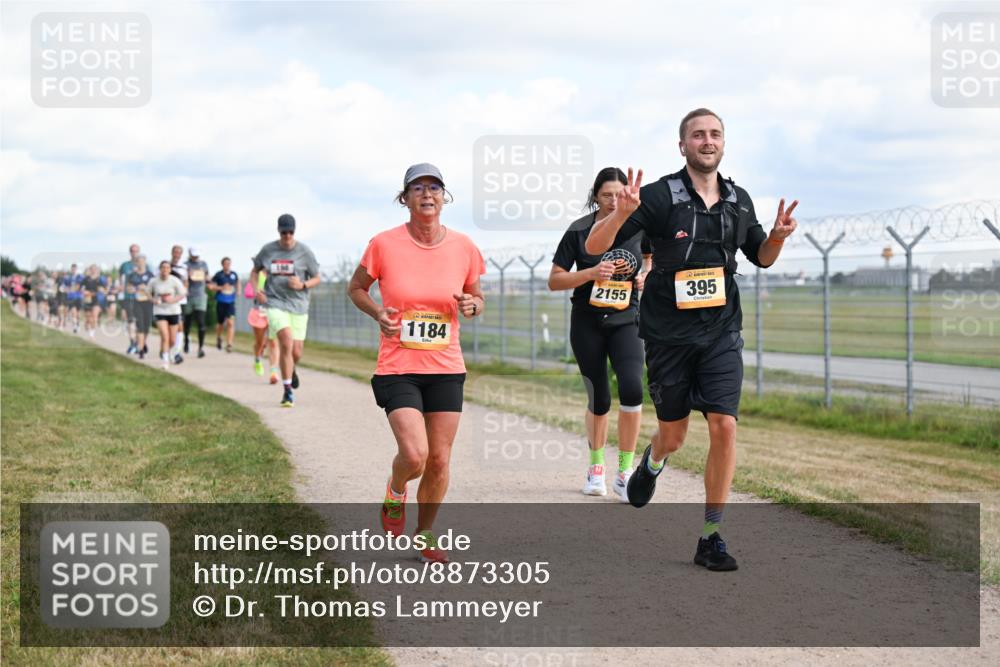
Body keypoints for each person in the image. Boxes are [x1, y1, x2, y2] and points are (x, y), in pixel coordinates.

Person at [586, 108, 798, 571]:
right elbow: (595, 247)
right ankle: (653, 460)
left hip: (722, 329)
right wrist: (619, 214)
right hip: (668, 335)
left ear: (724, 143)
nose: (708, 140)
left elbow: (761, 257)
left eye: (715, 134)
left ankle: (711, 535)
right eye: (698, 134)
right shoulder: (660, 196)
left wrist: (778, 238)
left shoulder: (739, 201)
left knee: (725, 425)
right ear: (682, 145)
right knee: (675, 436)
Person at [348, 163, 486, 564]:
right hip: (398, 365)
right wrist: (378, 313)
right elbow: (356, 288)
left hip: (446, 366)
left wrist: (471, 305)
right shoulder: (383, 245)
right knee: (414, 456)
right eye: (418, 188)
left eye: (435, 188)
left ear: (444, 197)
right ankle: (396, 488)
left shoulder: (463, 246)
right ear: (404, 199)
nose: (428, 194)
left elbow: (477, 298)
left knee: (440, 459)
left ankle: (425, 534)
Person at [549, 167, 650, 501]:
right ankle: (596, 469)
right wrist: (590, 273)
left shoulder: (640, 225)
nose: (613, 201)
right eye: (606, 195)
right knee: (600, 397)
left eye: (618, 194)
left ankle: (625, 471)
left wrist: (645, 275)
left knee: (633, 388)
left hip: (627, 319)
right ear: (595, 196)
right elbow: (555, 280)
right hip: (587, 321)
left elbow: (651, 259)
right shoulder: (579, 230)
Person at [251, 214, 321, 407]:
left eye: (290, 232)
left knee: (296, 352)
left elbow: (317, 277)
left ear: (294, 231)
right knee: (286, 341)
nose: (287, 235)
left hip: (298, 305)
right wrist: (257, 290)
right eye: (284, 232)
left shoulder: (304, 252)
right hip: (275, 302)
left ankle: (292, 369)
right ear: (279, 231)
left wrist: (302, 284)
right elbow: (255, 270)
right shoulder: (268, 250)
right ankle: (288, 391)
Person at [150, 260, 186, 369]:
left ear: (170, 270)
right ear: (160, 269)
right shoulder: (154, 281)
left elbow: (183, 293)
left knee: (172, 340)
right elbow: (147, 293)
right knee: (165, 336)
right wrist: (154, 300)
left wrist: (173, 300)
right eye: (163, 267)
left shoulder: (175, 281)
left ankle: (164, 351)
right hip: (160, 311)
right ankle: (165, 361)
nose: (165, 269)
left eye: (167, 267)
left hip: (173, 311)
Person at [246, 270, 280, 382]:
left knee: (273, 342)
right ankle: (257, 359)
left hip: (274, 311)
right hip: (259, 311)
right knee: (259, 343)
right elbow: (252, 283)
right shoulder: (257, 272)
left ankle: (273, 372)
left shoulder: (279, 270)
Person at [184, 247, 211, 358]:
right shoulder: (185, 265)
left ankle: (201, 348)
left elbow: (208, 277)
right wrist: (188, 275)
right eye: (193, 255)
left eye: (197, 255)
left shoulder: (203, 264)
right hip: (189, 296)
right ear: (190, 254)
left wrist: (206, 278)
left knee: (201, 323)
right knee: (188, 322)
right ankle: (186, 340)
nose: (195, 257)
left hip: (200, 296)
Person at [209, 257, 240, 353]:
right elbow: (210, 286)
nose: (227, 265)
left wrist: (238, 290)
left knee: (231, 323)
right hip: (221, 302)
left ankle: (229, 344)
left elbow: (238, 283)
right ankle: (218, 337)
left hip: (230, 302)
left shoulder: (234, 274)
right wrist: (221, 287)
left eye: (229, 263)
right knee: (220, 324)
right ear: (222, 264)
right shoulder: (218, 275)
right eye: (225, 263)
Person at [127, 255, 155, 360]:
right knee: (140, 325)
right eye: (138, 262)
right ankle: (141, 349)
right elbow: (128, 289)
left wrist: (146, 288)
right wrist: (135, 289)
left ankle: (142, 343)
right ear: (136, 263)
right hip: (136, 302)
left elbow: (155, 289)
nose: (140, 263)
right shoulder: (132, 275)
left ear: (145, 262)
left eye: (142, 261)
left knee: (147, 326)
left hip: (148, 302)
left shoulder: (150, 275)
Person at [120, 244, 141, 354]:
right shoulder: (125, 266)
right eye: (132, 251)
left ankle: (139, 343)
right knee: (131, 321)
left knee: (139, 322)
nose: (134, 253)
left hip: (141, 299)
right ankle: (133, 343)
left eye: (136, 251)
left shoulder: (145, 265)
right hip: (128, 297)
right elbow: (121, 282)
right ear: (130, 252)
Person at [169, 245, 187, 364]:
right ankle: (168, 348)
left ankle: (176, 352)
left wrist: (182, 294)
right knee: (169, 327)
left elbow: (186, 283)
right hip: (168, 301)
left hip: (180, 301)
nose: (177, 254)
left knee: (180, 326)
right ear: (172, 252)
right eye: (175, 252)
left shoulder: (184, 267)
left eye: (179, 252)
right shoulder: (165, 266)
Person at [80, 264, 107, 338]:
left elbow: (105, 289)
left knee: (95, 316)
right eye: (92, 269)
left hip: (96, 299)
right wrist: (84, 291)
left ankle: (92, 332)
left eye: (95, 269)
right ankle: (87, 323)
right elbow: (81, 288)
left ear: (97, 270)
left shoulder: (100, 279)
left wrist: (103, 290)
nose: (93, 270)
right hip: (88, 299)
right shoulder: (86, 279)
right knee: (89, 317)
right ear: (90, 270)